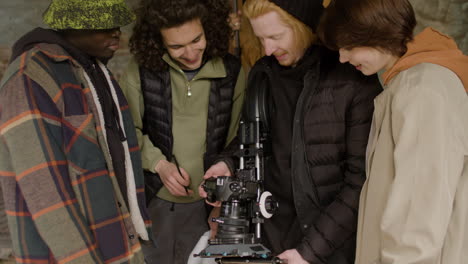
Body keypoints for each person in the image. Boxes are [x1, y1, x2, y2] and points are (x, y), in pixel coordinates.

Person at [199, 0, 383, 263]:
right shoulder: (263, 74)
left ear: (303, 25)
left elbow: (361, 182)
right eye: (260, 38)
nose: (268, 49)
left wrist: (310, 252)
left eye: (275, 36)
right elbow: (248, 138)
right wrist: (226, 163)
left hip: (329, 248)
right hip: (269, 238)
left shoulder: (351, 76)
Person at [0, 0, 152, 263]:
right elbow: (43, 189)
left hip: (114, 239)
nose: (116, 32)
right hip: (67, 254)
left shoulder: (91, 71)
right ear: (72, 26)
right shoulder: (29, 77)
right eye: (104, 25)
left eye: (116, 24)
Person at [317, 0, 468, 263]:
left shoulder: (422, 90)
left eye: (349, 46)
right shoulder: (411, 83)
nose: (342, 57)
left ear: (376, 33)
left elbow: (418, 215)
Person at [119, 0, 246, 263]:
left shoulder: (233, 72)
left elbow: (238, 137)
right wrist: (159, 165)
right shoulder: (139, 70)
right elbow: (127, 130)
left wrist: (223, 172)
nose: (189, 53)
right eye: (176, 46)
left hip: (210, 206)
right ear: (158, 42)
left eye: (196, 40)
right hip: (153, 199)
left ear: (209, 29)